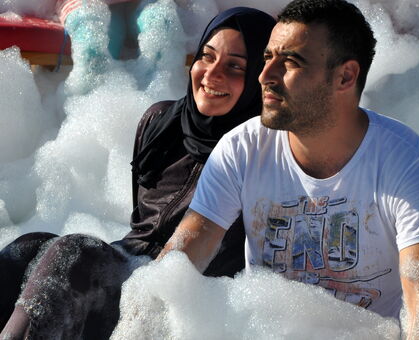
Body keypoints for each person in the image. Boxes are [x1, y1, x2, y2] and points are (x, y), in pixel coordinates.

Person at [159, 0, 419, 336]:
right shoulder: (242, 149)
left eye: (291, 62)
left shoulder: (405, 161)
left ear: (345, 76)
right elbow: (176, 265)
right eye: (268, 57)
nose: (265, 75)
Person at [0, 7, 275, 339]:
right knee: (29, 248)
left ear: (262, 76)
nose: (211, 74)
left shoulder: (263, 154)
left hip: (183, 300)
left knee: (75, 252)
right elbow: (140, 226)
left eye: (235, 66)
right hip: (130, 264)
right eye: (207, 56)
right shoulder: (162, 123)